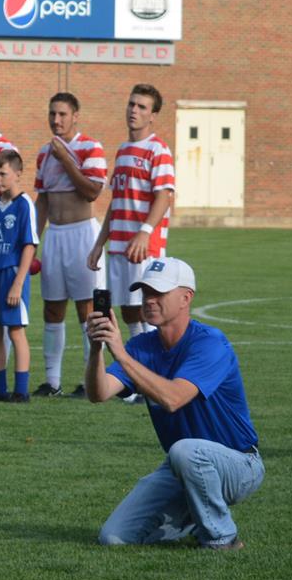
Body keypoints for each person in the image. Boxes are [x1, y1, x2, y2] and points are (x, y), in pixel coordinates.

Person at [84, 258, 263, 550]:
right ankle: (193, 517)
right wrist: (96, 350)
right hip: (183, 467)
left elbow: (173, 399)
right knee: (114, 537)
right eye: (145, 292)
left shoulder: (210, 343)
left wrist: (121, 354)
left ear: (186, 298)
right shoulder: (141, 346)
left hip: (239, 464)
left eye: (159, 293)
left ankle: (222, 538)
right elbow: (98, 393)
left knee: (184, 450)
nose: (149, 300)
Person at [33, 91, 109, 397]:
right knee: (52, 309)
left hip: (83, 234)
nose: (56, 119)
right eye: (52, 113)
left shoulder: (91, 147)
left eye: (62, 114)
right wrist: (33, 241)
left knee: (88, 309)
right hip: (55, 235)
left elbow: (92, 192)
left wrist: (65, 158)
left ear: (75, 116)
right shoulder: (43, 152)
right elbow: (42, 200)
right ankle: (52, 381)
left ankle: (90, 379)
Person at [89, 83, 177, 342]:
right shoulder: (123, 150)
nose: (134, 110)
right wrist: (99, 243)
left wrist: (145, 233)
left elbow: (164, 196)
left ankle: (154, 361)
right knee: (127, 311)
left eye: (142, 107)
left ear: (152, 115)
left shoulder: (158, 149)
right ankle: (138, 358)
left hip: (144, 248)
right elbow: (117, 202)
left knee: (147, 309)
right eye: (131, 104)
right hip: (119, 246)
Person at [0, 151, 37, 402]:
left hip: (11, 275)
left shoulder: (24, 204)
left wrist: (18, 283)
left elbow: (29, 246)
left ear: (18, 174)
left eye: (3, 173)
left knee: (15, 331)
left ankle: (21, 391)